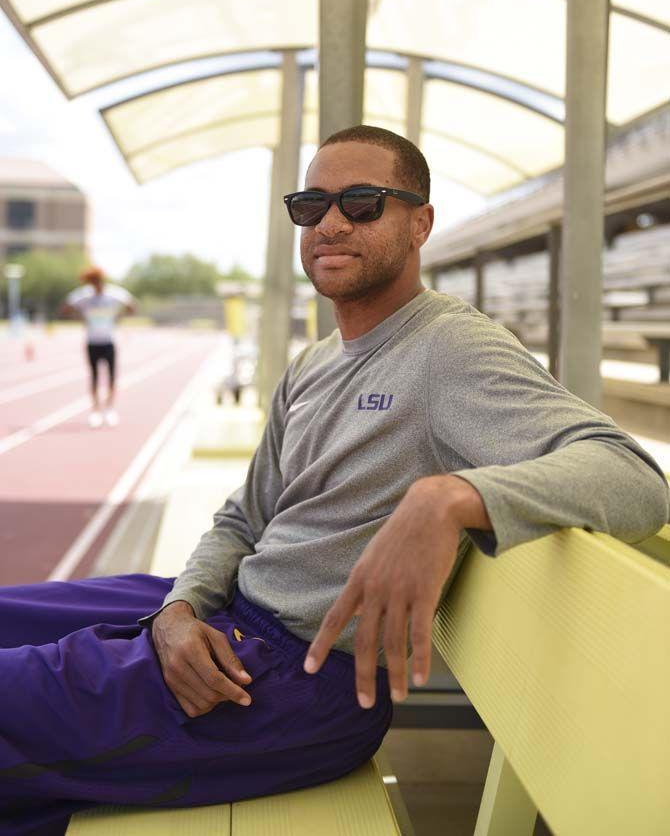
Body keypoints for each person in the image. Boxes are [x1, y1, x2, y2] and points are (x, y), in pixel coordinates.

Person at [1, 127, 667, 836]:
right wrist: (181, 608)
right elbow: (243, 518)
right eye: (311, 205)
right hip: (225, 616)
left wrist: (450, 497)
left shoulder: (448, 348)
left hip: (294, 678)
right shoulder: (315, 362)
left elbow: (631, 475)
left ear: (421, 223)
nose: (331, 223)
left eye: (362, 202)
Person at [58, 266, 135, 428]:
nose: (94, 285)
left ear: (101, 280)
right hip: (92, 342)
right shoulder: (83, 295)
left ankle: (109, 409)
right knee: (94, 377)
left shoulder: (114, 294)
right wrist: (79, 316)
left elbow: (132, 306)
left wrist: (118, 317)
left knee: (112, 377)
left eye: (96, 282)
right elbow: (64, 309)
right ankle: (95, 411)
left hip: (108, 341)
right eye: (91, 283)